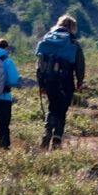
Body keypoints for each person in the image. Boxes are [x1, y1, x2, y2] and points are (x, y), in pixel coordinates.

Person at [33, 15, 85, 150]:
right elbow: (80, 65)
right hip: (65, 81)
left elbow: (39, 64)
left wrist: (41, 83)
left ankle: (47, 132)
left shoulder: (46, 39)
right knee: (61, 109)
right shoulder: (73, 42)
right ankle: (57, 140)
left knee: (52, 106)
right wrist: (80, 81)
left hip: (48, 80)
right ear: (72, 27)